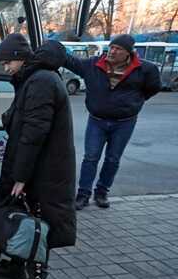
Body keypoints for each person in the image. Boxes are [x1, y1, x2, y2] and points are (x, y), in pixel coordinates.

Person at [0, 34, 76, 279]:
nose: (6, 68)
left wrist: (21, 177)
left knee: (38, 227)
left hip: (43, 172)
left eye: (7, 62)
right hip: (37, 166)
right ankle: (15, 265)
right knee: (24, 218)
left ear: (20, 58)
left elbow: (33, 134)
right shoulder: (35, 79)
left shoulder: (41, 82)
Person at [64, 34, 161, 209]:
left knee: (112, 159)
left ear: (128, 53)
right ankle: (83, 194)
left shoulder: (144, 70)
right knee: (90, 158)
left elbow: (153, 88)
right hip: (97, 121)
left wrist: (134, 102)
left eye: (118, 49)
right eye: (112, 47)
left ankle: (101, 192)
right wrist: (53, 49)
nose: (113, 51)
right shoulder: (94, 65)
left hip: (124, 122)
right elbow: (71, 62)